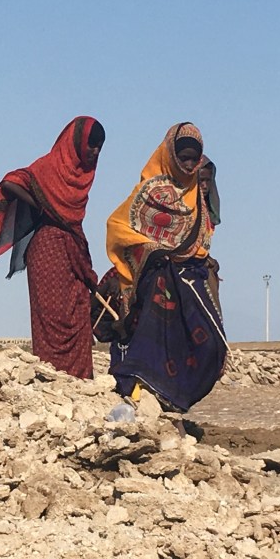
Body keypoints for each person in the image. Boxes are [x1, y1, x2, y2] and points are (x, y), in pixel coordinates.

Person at [104, 122, 227, 419]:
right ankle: (141, 392)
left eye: (192, 159)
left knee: (211, 346)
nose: (188, 164)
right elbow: (118, 227)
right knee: (151, 337)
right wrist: (151, 250)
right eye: (182, 157)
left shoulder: (200, 193)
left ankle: (174, 398)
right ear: (170, 155)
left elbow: (199, 242)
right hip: (154, 276)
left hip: (190, 278)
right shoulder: (150, 192)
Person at [0, 116, 105, 378]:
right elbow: (9, 182)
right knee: (52, 317)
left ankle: (80, 382)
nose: (94, 152)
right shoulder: (50, 166)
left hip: (72, 247)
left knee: (80, 309)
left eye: (99, 147)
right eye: (91, 145)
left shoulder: (83, 176)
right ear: (76, 143)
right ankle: (52, 380)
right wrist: (42, 207)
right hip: (48, 249)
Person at [199, 156, 221, 227]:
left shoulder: (209, 213)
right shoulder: (180, 206)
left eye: (208, 180)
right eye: (201, 180)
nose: (205, 186)